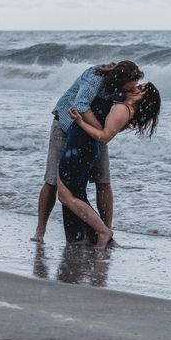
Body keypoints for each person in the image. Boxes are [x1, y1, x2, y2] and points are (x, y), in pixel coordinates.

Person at [30, 60, 144, 243]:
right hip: (65, 125)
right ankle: (40, 231)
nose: (130, 90)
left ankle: (106, 231)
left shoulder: (124, 89)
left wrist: (103, 133)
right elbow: (81, 105)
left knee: (103, 180)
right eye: (128, 87)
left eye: (132, 88)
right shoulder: (95, 76)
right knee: (52, 180)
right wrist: (102, 132)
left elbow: (118, 118)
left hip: (93, 133)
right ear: (119, 79)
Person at [57, 82, 161, 248]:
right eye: (138, 85)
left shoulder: (123, 110)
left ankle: (103, 232)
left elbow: (104, 137)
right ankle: (90, 235)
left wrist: (80, 122)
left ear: (144, 100)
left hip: (82, 146)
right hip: (81, 145)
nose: (136, 88)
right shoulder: (122, 106)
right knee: (71, 193)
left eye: (141, 90)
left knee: (67, 195)